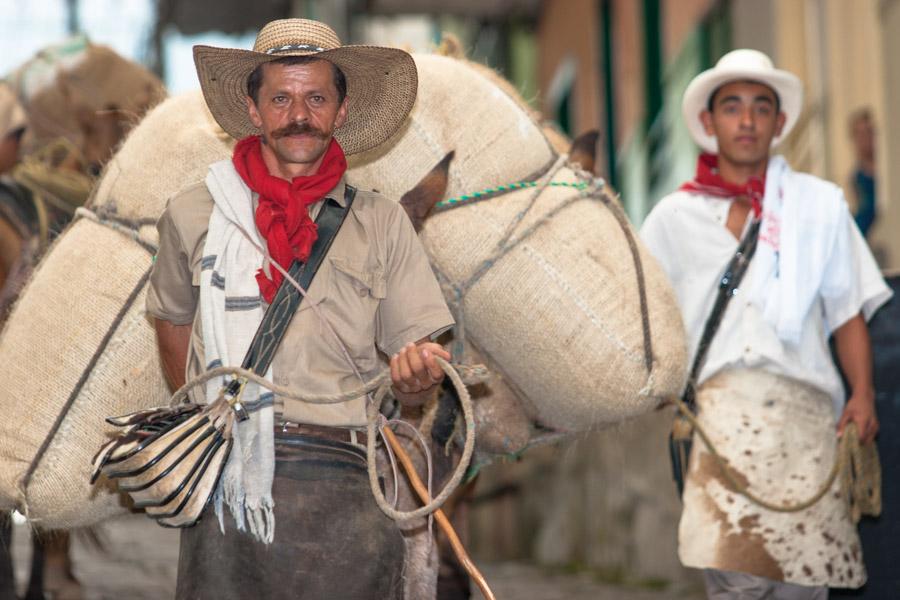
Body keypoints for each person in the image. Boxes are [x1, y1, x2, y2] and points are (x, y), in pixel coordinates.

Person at [146, 18, 455, 600]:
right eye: (281, 98)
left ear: (341, 110)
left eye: (316, 98)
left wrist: (418, 376)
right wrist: (214, 415)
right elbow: (172, 321)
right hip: (227, 481)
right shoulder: (194, 214)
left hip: (347, 480)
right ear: (254, 110)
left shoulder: (382, 222)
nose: (298, 115)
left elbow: (416, 372)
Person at [640, 49, 891, 599]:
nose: (747, 121)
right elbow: (646, 317)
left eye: (760, 108)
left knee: (805, 587)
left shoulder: (821, 206)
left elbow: (846, 311)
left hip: (808, 421)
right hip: (720, 421)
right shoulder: (671, 219)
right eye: (732, 108)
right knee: (737, 584)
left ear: (780, 123)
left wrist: (864, 397)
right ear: (709, 123)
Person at [847, 108, 877, 239]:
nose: (865, 139)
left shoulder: (886, 172)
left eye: (868, 132)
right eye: (860, 134)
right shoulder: (855, 178)